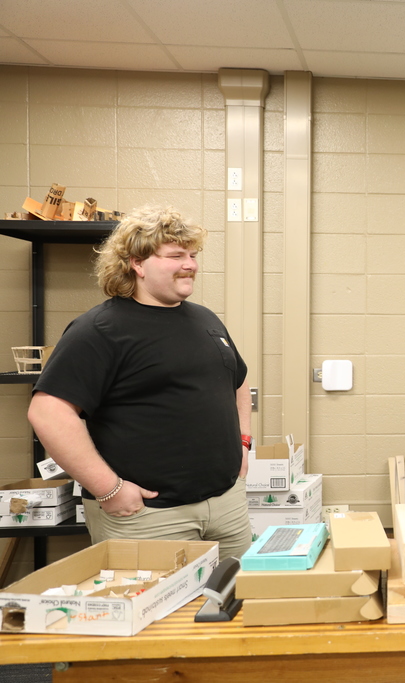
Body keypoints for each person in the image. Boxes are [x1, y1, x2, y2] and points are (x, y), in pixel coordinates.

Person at [27, 205, 253, 561]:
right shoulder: (100, 330)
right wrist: (108, 488)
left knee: (235, 607)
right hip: (147, 517)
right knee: (155, 616)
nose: (190, 264)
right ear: (137, 263)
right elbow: (48, 413)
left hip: (226, 506)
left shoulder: (205, 320)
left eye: (193, 255)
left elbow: (237, 381)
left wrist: (243, 445)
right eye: (176, 255)